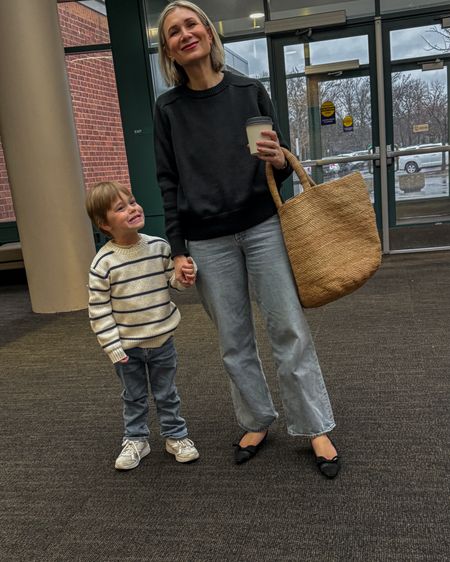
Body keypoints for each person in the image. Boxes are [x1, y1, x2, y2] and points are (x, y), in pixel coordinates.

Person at [154, 1, 340, 478]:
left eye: (191, 24)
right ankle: (256, 418)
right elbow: (167, 182)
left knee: (288, 328)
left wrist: (280, 159)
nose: (185, 34)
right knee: (234, 341)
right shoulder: (168, 109)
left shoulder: (249, 90)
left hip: (262, 227)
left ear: (210, 33)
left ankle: (314, 424)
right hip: (206, 240)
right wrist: (178, 250)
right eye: (173, 31)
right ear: (168, 50)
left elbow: (280, 165)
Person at [86, 181, 199, 470]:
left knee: (166, 393)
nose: (133, 209)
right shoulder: (103, 263)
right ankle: (136, 439)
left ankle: (176, 436)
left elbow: (172, 282)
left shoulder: (159, 247)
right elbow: (99, 311)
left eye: (133, 202)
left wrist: (184, 277)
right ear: (104, 224)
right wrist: (112, 347)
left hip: (162, 341)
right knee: (133, 396)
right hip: (127, 348)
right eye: (120, 208)